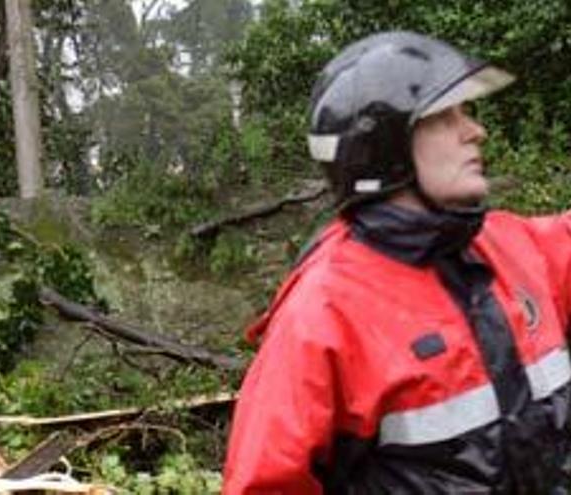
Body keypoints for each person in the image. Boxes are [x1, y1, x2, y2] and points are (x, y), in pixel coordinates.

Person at [222, 31, 571, 494]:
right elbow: (265, 483)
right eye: (446, 117)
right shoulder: (324, 312)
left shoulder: (510, 243)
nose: (475, 131)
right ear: (384, 147)